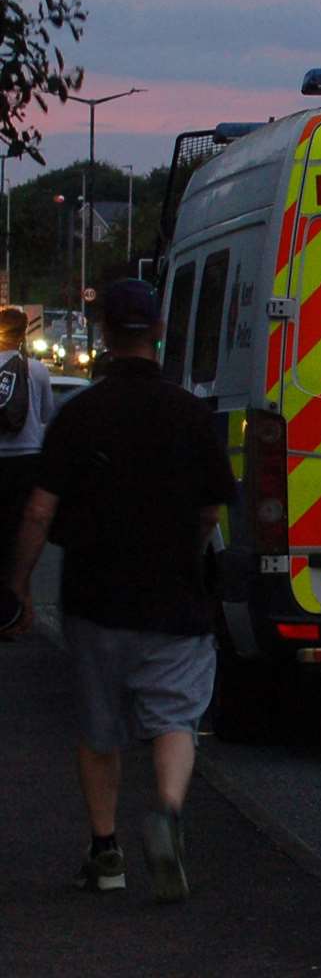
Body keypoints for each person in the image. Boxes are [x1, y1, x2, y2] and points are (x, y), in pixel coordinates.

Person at [9, 280, 236, 902]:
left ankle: (105, 852)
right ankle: (165, 810)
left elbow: (38, 509)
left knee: (100, 727)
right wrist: (184, 554)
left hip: (94, 596)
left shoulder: (79, 413)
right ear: (158, 331)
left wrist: (20, 587)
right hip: (173, 598)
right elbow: (212, 511)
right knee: (174, 718)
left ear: (104, 332)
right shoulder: (191, 413)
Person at [0, 308, 53, 611]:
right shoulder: (37, 370)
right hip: (27, 459)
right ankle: (16, 605)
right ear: (23, 335)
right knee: (20, 534)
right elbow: (45, 414)